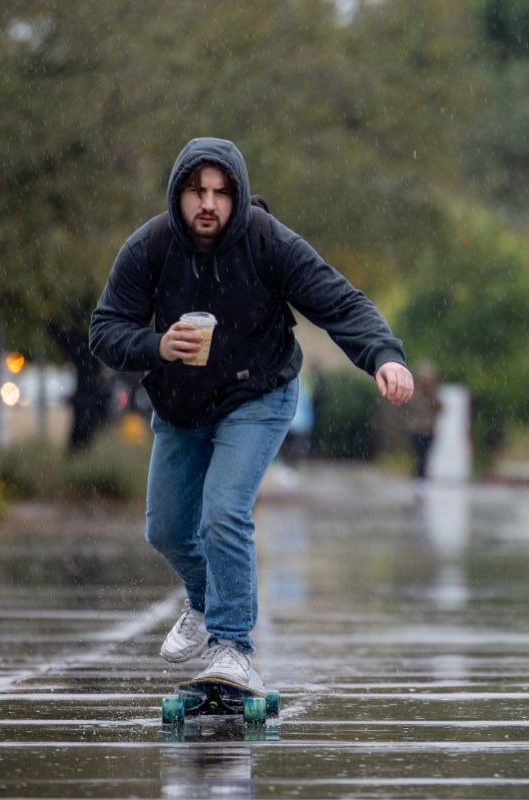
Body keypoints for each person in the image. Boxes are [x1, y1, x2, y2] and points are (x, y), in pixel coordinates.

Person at [89, 137, 413, 694]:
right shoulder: (151, 247)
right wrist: (156, 345)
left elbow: (341, 303)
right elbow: (104, 330)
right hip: (182, 404)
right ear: (178, 195)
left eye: (220, 193)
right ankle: (203, 601)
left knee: (223, 511)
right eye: (197, 192)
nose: (208, 204)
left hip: (257, 395)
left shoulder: (269, 242)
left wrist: (384, 355)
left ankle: (233, 645)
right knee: (165, 529)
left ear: (236, 197)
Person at [403, 363, 443, 480]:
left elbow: (441, 407)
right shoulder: (414, 392)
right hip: (416, 429)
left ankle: (422, 477)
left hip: (429, 430)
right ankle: (419, 478)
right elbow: (408, 407)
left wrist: (431, 394)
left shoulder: (433, 394)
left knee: (426, 456)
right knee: (419, 456)